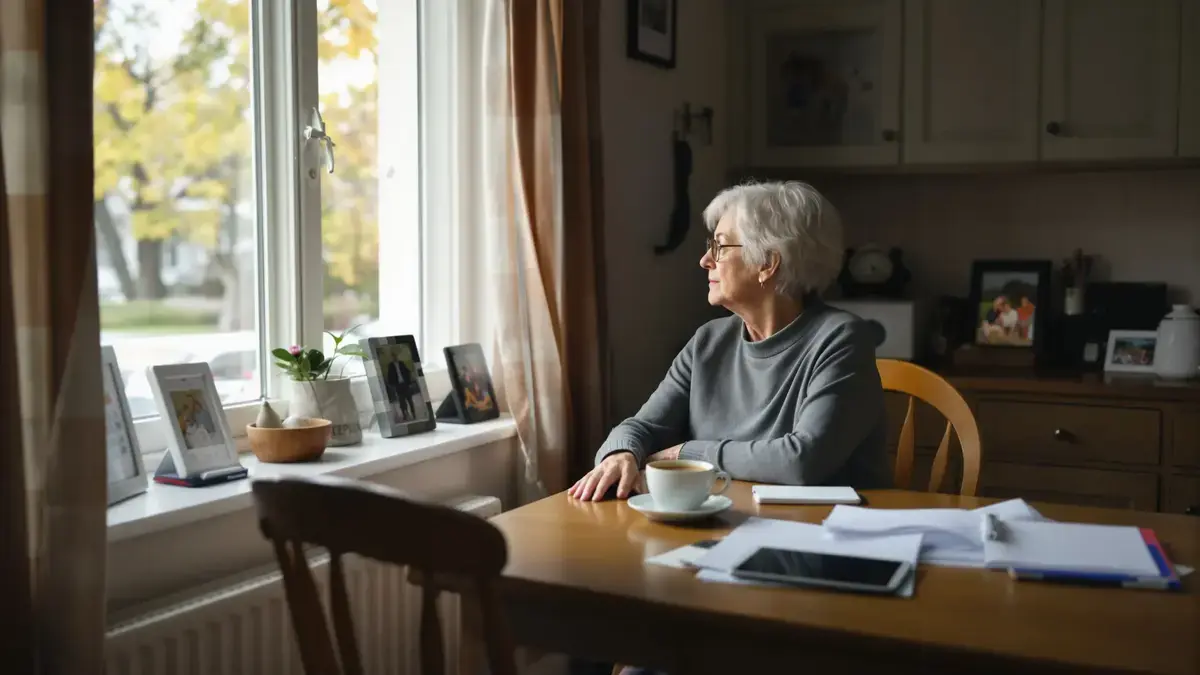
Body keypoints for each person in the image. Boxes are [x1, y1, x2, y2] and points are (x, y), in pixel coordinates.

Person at [569, 180, 890, 503]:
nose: (706, 260)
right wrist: (622, 454)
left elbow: (801, 461)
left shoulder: (842, 339)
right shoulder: (708, 341)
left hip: (824, 534)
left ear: (767, 263)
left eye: (720, 247)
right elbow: (643, 427)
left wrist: (685, 452)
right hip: (729, 524)